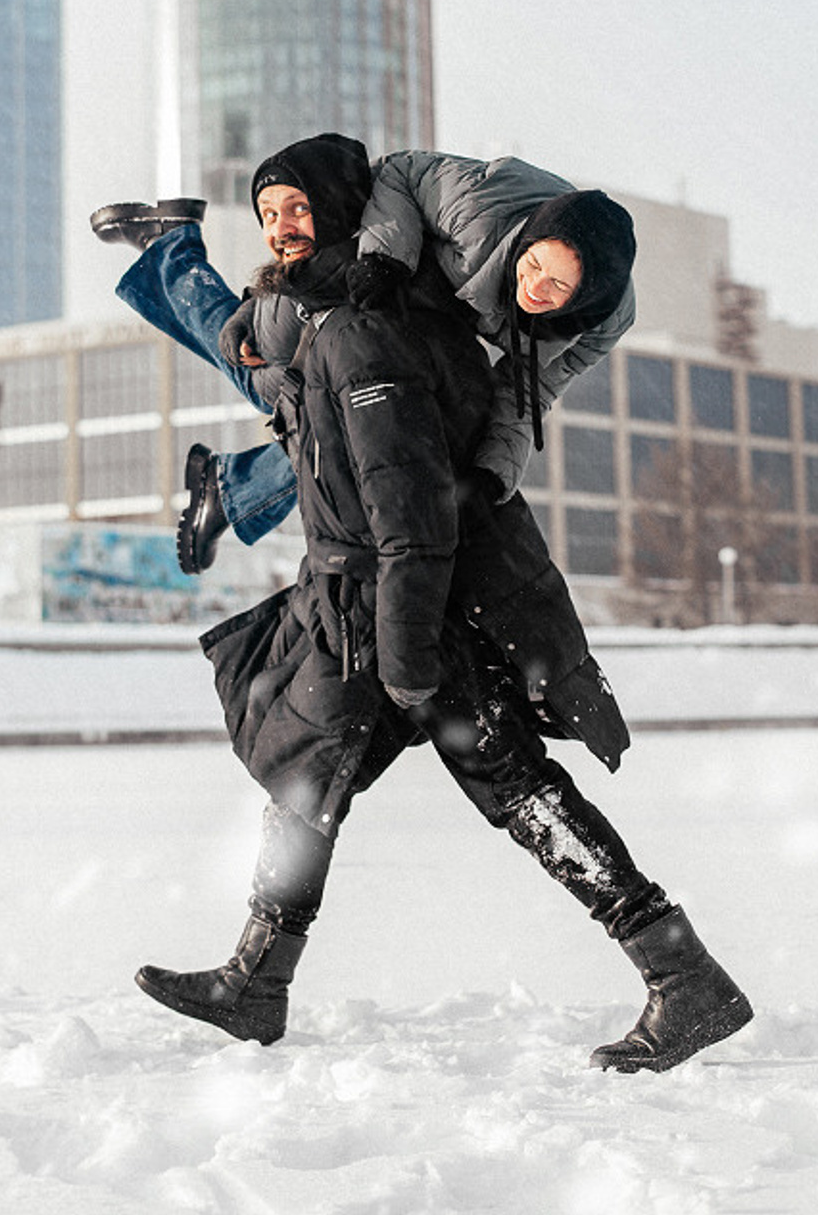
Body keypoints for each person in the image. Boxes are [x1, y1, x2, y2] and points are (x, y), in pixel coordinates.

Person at [133, 136, 751, 1073]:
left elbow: (413, 512)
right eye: (269, 217)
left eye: (299, 212)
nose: (282, 232)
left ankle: (682, 973)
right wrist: (238, 322)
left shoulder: (367, 332)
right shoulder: (338, 322)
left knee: (511, 786)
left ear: (348, 220)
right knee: (312, 776)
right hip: (359, 599)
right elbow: (268, 359)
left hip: (410, 605)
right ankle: (256, 980)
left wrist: (409, 650)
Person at [92, 145, 638, 573]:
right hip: (364, 271)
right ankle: (174, 252)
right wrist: (379, 263)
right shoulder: (479, 206)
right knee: (270, 378)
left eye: (558, 286)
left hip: (430, 327)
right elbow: (397, 172)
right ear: (528, 241)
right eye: (535, 265)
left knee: (383, 430)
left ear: (585, 297)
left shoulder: (601, 324)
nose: (536, 287)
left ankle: (233, 485)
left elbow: (527, 393)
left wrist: (492, 477)